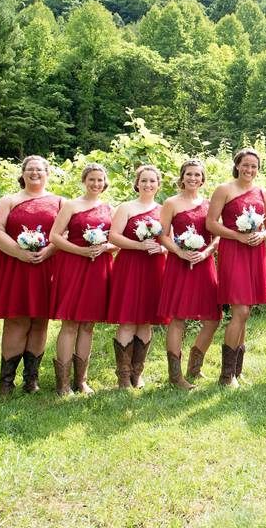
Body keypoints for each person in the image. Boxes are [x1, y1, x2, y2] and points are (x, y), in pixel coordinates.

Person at [0, 155, 61, 395]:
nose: (35, 173)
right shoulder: (8, 201)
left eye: (39, 170)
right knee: (16, 321)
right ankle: (6, 382)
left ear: (47, 173)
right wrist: (18, 252)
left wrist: (49, 250)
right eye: (30, 169)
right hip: (15, 266)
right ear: (23, 173)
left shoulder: (60, 202)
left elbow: (67, 231)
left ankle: (32, 380)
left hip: (47, 266)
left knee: (40, 320)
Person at [207, 148, 266, 386]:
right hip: (234, 252)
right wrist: (237, 236)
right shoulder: (224, 190)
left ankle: (236, 371)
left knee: (245, 314)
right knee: (240, 312)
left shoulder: (263, 192)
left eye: (254, 166)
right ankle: (225, 376)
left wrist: (261, 235)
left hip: (255, 253)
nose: (249, 170)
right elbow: (211, 224)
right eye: (245, 165)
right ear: (237, 166)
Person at [49, 163, 115, 396]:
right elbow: (54, 236)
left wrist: (106, 246)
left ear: (105, 183)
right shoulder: (71, 205)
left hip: (99, 267)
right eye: (92, 179)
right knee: (70, 323)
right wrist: (81, 251)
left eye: (100, 180)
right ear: (84, 181)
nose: (96, 184)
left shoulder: (109, 208)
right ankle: (63, 383)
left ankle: (81, 380)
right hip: (74, 264)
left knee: (88, 324)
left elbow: (116, 239)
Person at [156, 159, 221, 390]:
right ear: (182, 177)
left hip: (204, 263)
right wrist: (180, 252)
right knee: (178, 317)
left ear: (203, 179)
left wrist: (207, 252)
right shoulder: (171, 203)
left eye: (197, 175)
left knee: (213, 318)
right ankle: (176, 377)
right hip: (179, 263)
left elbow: (216, 234)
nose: (193, 178)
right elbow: (162, 236)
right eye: (189, 174)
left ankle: (195, 367)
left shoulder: (210, 203)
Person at [107, 164, 168, 389]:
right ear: (137, 183)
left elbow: (168, 242)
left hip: (154, 266)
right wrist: (139, 246)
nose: (148, 184)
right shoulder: (126, 208)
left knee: (146, 320)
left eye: (152, 181)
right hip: (130, 266)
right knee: (128, 320)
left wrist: (161, 249)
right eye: (144, 180)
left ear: (158, 185)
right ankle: (123, 377)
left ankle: (137, 373)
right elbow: (113, 236)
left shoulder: (164, 210)